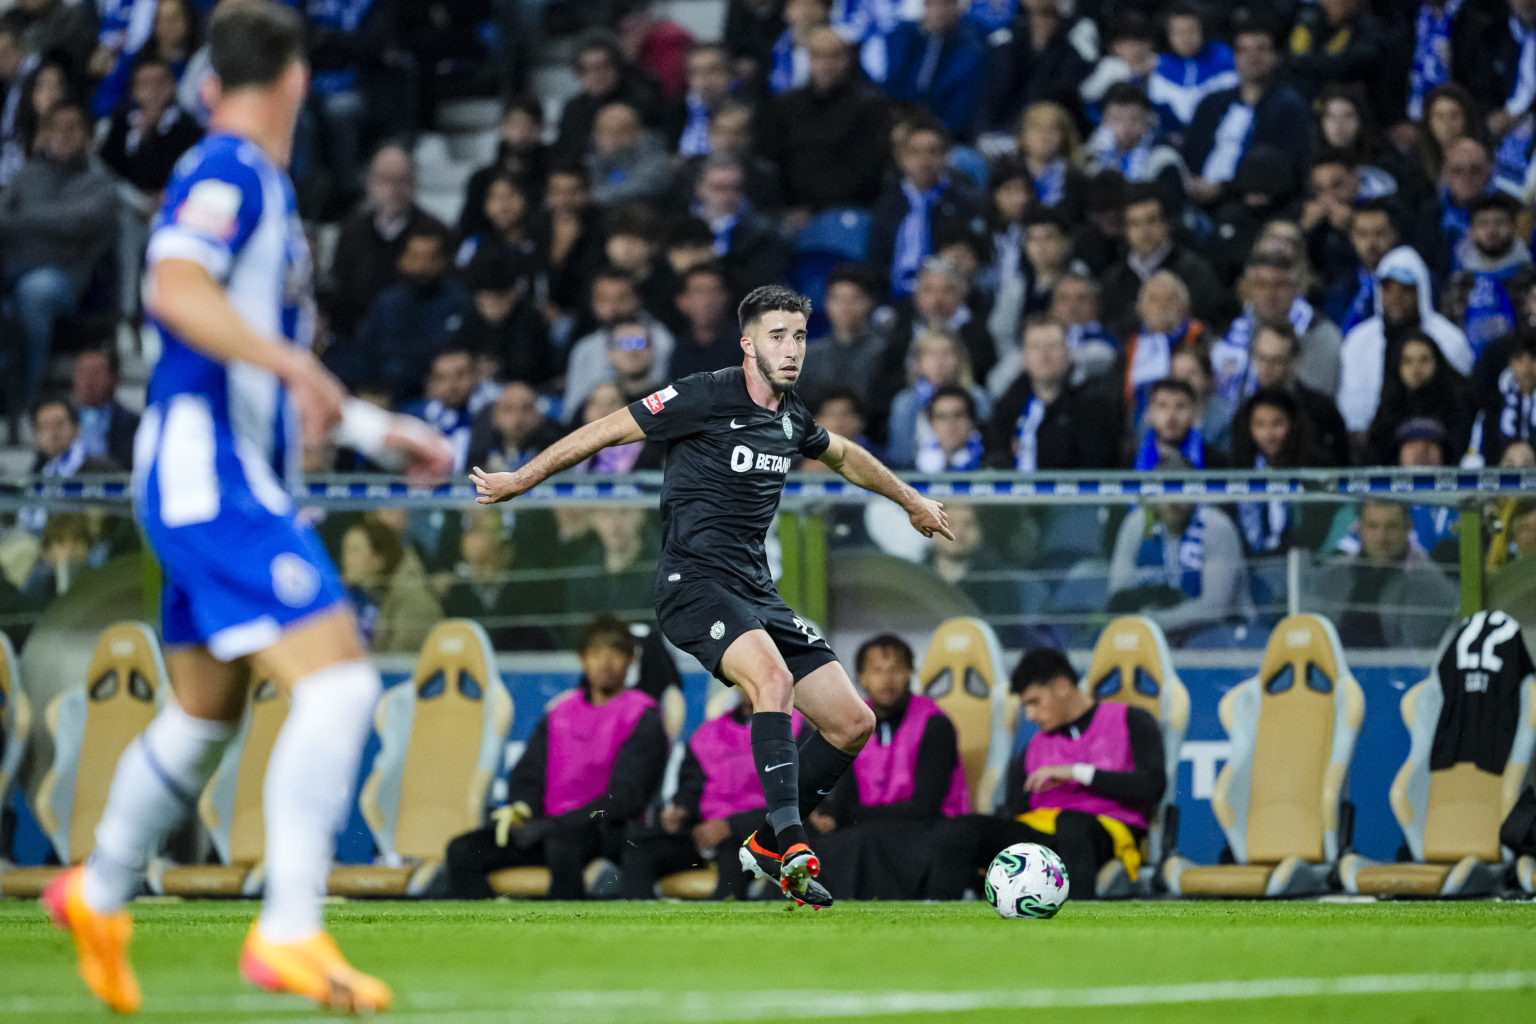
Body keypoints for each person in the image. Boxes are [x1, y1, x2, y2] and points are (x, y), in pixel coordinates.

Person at [42, 4, 451, 1013]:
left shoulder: (253, 181)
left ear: (210, 83)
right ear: (301, 82)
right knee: (341, 685)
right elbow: (175, 288)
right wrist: (292, 360)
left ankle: (94, 892)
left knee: (202, 716)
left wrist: (369, 427)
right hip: (209, 479)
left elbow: (262, 366)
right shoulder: (227, 170)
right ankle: (291, 931)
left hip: (227, 477)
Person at [470, 285, 953, 907]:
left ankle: (762, 846)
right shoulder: (701, 395)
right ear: (748, 343)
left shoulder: (789, 415)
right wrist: (523, 478)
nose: (792, 349)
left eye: (800, 336)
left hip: (756, 593)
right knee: (772, 682)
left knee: (851, 722)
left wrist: (910, 499)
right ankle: (790, 839)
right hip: (693, 585)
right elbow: (606, 431)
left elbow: (845, 456)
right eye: (778, 336)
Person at [444, 616, 669, 899]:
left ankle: (569, 936)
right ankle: (490, 934)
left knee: (562, 845)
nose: (605, 663)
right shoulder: (559, 712)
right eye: (596, 653)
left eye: (615, 654)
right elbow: (527, 776)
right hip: (547, 829)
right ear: (583, 659)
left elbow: (624, 799)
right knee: (463, 850)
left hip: (604, 831)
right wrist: (522, 810)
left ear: (630, 661)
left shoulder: (643, 715)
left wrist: (555, 825)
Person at [923, 647, 1165, 900]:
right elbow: (1016, 809)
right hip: (1042, 835)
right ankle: (938, 911)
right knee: (964, 828)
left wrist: (1077, 773)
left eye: (1035, 702)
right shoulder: (1034, 748)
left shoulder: (1131, 720)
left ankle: (1079, 918)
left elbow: (1152, 785)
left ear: (1062, 686)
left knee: (1071, 822)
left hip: (1106, 832)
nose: (1030, 715)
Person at [812, 634, 968, 899]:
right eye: (877, 670)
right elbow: (844, 792)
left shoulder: (935, 724)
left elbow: (925, 806)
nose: (887, 679)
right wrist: (827, 814)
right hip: (869, 825)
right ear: (861, 677)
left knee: (864, 840)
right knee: (807, 834)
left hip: (927, 829)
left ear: (910, 673)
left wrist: (849, 816)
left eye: (896, 669)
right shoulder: (852, 724)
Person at [0, 98, 119, 420]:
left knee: (34, 291)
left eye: (73, 128)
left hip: (64, 279)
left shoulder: (101, 182)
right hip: (11, 267)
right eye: (56, 128)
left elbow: (76, 225)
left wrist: (24, 218)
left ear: (88, 134)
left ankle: (25, 402)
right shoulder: (29, 173)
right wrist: (50, 220)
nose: (63, 135)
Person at [619, 692, 781, 900]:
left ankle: (723, 929)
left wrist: (732, 825)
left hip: (755, 834)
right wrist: (682, 810)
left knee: (735, 857)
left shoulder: (795, 730)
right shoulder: (708, 733)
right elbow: (692, 786)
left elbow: (800, 801)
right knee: (640, 849)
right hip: (704, 832)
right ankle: (639, 927)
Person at [1106, 461, 1253, 640]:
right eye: (1165, 492)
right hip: (1148, 633)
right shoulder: (1137, 524)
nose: (1173, 501)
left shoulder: (1216, 526)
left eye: (1180, 491)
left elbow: (1214, 608)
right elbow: (1118, 592)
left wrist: (1152, 622)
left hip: (1217, 634)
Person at [1311, 500, 1460, 649]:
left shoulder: (1429, 583)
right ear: (1359, 528)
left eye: (1391, 527)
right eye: (1372, 526)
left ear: (1408, 527)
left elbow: (1416, 660)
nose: (1381, 537)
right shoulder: (1332, 574)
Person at [70, 347, 140, 470]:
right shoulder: (61, 420)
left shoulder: (134, 424)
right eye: (82, 372)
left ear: (115, 378)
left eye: (96, 373)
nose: (88, 380)